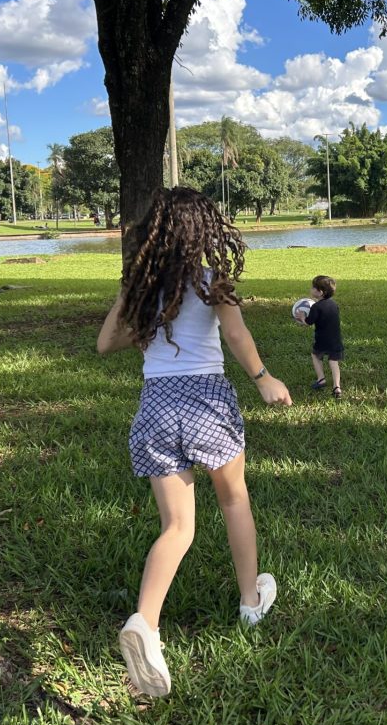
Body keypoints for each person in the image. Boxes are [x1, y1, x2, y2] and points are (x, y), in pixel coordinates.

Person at [96, 187, 291, 698]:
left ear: (154, 233)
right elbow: (237, 336)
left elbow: (105, 343)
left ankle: (145, 623)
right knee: (234, 499)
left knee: (178, 526)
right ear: (203, 232)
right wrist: (264, 378)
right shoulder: (212, 283)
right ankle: (250, 602)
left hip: (157, 406)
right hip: (206, 401)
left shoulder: (143, 290)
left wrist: (135, 302)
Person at [295, 274, 344, 399]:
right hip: (335, 339)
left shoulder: (316, 307)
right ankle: (337, 387)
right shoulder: (334, 305)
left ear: (320, 292)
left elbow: (308, 323)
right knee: (333, 362)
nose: (311, 289)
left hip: (322, 340)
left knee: (315, 355)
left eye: (313, 287)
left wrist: (302, 318)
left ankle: (321, 379)